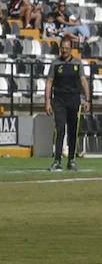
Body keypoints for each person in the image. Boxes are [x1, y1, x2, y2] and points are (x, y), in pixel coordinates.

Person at [44, 33, 90, 172]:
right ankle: (57, 160)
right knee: (60, 129)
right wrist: (47, 101)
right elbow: (49, 82)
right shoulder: (55, 63)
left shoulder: (77, 63)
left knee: (72, 130)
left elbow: (83, 81)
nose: (65, 50)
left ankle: (71, 160)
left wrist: (87, 100)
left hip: (74, 100)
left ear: (71, 49)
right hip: (59, 100)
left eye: (67, 48)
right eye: (62, 48)